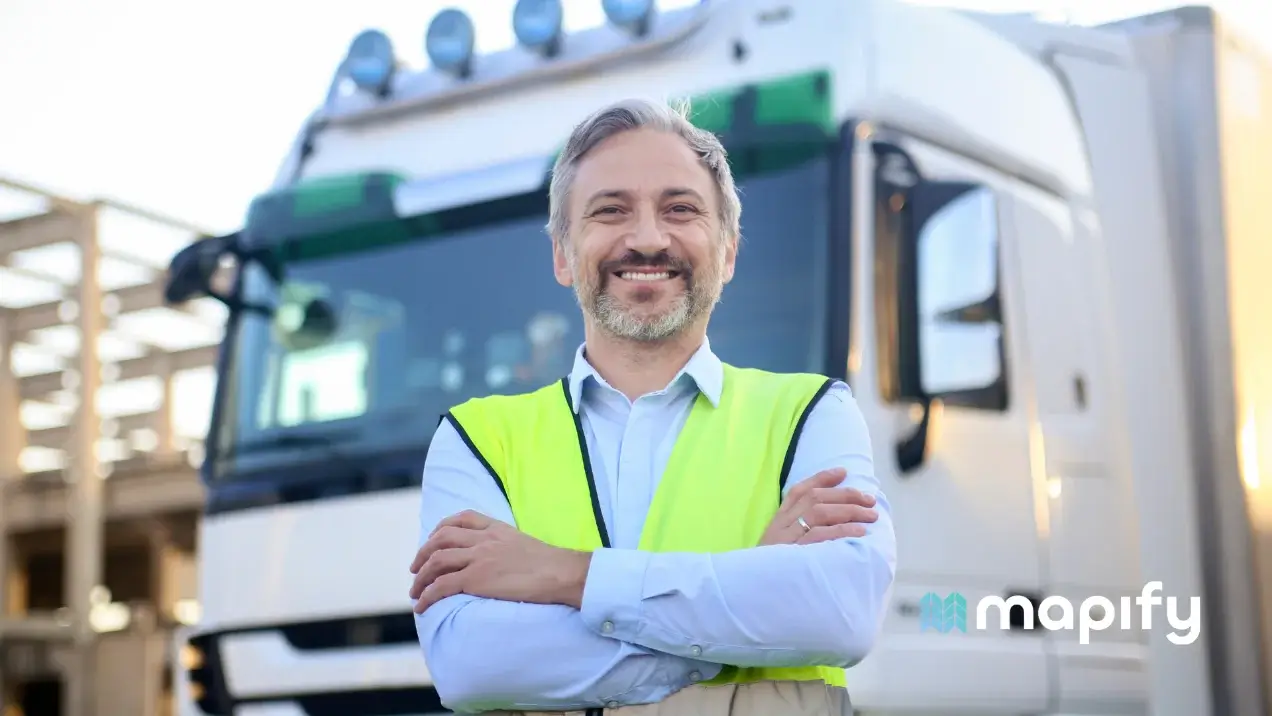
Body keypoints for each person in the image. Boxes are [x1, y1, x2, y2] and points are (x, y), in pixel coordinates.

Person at [408, 98, 897, 715]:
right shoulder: (476, 440)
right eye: (610, 211)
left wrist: (565, 575)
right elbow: (472, 665)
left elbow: (840, 615)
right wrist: (741, 617)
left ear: (727, 252)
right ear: (563, 254)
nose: (645, 238)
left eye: (680, 209)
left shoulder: (812, 415)